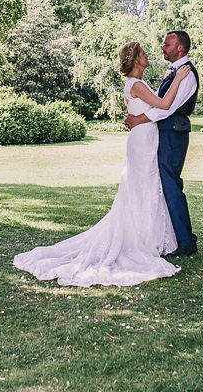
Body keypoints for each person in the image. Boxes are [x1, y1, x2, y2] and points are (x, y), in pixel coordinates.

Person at [12, 41, 191, 287]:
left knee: (148, 188)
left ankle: (149, 237)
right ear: (136, 58)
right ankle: (138, 240)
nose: (148, 54)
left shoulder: (138, 83)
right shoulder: (136, 84)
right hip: (141, 141)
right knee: (139, 188)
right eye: (143, 53)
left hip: (148, 139)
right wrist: (179, 80)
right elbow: (164, 105)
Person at [123, 30, 199, 258]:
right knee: (163, 185)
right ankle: (174, 237)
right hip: (162, 134)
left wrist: (138, 119)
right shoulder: (174, 72)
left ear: (180, 48)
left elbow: (168, 107)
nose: (162, 48)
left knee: (170, 185)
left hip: (173, 134)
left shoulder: (187, 75)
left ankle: (186, 241)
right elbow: (155, 103)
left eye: (167, 44)